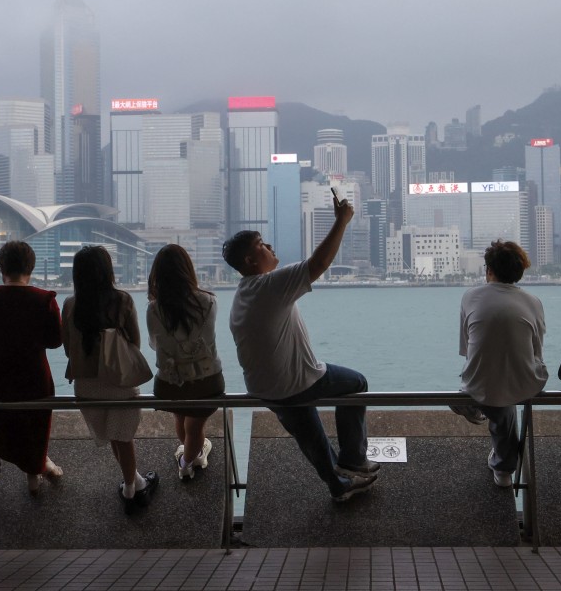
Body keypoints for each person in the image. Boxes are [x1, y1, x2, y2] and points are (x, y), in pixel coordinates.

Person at [223, 193, 378, 503]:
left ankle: (338, 484)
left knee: (311, 438)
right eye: (263, 245)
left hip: (265, 388)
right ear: (251, 261)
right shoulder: (270, 286)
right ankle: (354, 458)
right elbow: (318, 263)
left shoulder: (243, 294)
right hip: (297, 381)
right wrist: (341, 221)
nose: (271, 248)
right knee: (357, 383)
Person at [62, 245, 158, 514]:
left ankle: (135, 482)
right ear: (107, 270)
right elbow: (135, 342)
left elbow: (68, 347)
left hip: (87, 385)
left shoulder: (70, 304)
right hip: (119, 381)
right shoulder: (122, 300)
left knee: (116, 438)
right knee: (123, 437)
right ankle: (131, 490)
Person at [0, 241, 63, 496]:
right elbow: (55, 341)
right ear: (30, 268)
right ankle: (35, 473)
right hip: (34, 379)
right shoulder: (45, 300)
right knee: (34, 426)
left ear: (1, 268)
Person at [457, 240, 548, 488]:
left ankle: (503, 463)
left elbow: (467, 349)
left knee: (494, 390)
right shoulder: (534, 302)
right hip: (527, 381)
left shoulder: (470, 297)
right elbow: (537, 350)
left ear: (488, 270)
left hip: (482, 382)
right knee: (507, 393)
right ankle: (504, 467)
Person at [146, 244, 225, 481]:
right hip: (206, 380)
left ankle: (190, 454)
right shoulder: (210, 301)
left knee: (180, 417)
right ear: (187, 270)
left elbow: (154, 343)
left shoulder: (154, 309)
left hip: (170, 381)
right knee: (196, 427)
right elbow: (208, 337)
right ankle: (187, 464)